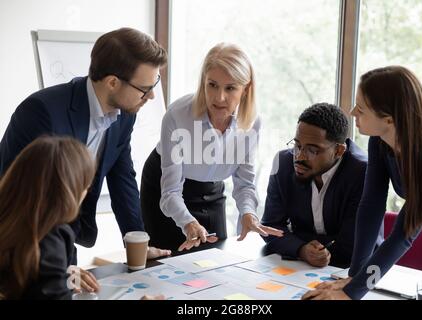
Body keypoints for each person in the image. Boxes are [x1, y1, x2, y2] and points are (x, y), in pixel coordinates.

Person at [0, 28, 171, 260]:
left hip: (63, 236)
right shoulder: (42, 112)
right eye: (145, 89)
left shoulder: (125, 115)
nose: (151, 96)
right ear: (112, 82)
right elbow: (28, 199)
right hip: (22, 241)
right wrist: (61, 267)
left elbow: (122, 178)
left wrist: (138, 243)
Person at [302, 66, 422, 300]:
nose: (352, 112)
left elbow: (404, 234)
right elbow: (371, 207)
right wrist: (355, 276)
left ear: (389, 119)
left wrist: (354, 293)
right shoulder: (380, 142)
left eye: (360, 109)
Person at [140, 43, 283, 251]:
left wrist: (248, 213)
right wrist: (188, 222)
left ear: (246, 89)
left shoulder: (252, 122)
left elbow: (244, 182)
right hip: (165, 188)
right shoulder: (177, 116)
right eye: (212, 85)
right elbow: (170, 191)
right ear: (203, 82)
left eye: (230, 88)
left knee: (214, 260)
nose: (219, 97)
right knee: (168, 263)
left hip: (212, 189)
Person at [262, 103, 379, 268]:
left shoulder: (364, 173)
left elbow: (352, 246)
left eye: (312, 150)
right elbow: (270, 226)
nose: (299, 156)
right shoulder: (283, 163)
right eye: (297, 145)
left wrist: (296, 237)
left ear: (339, 151)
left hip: (357, 271)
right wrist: (302, 249)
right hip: (302, 267)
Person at [0, 136, 98, 299]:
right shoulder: (49, 239)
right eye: (85, 186)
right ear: (68, 191)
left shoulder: (12, 226)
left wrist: (62, 277)